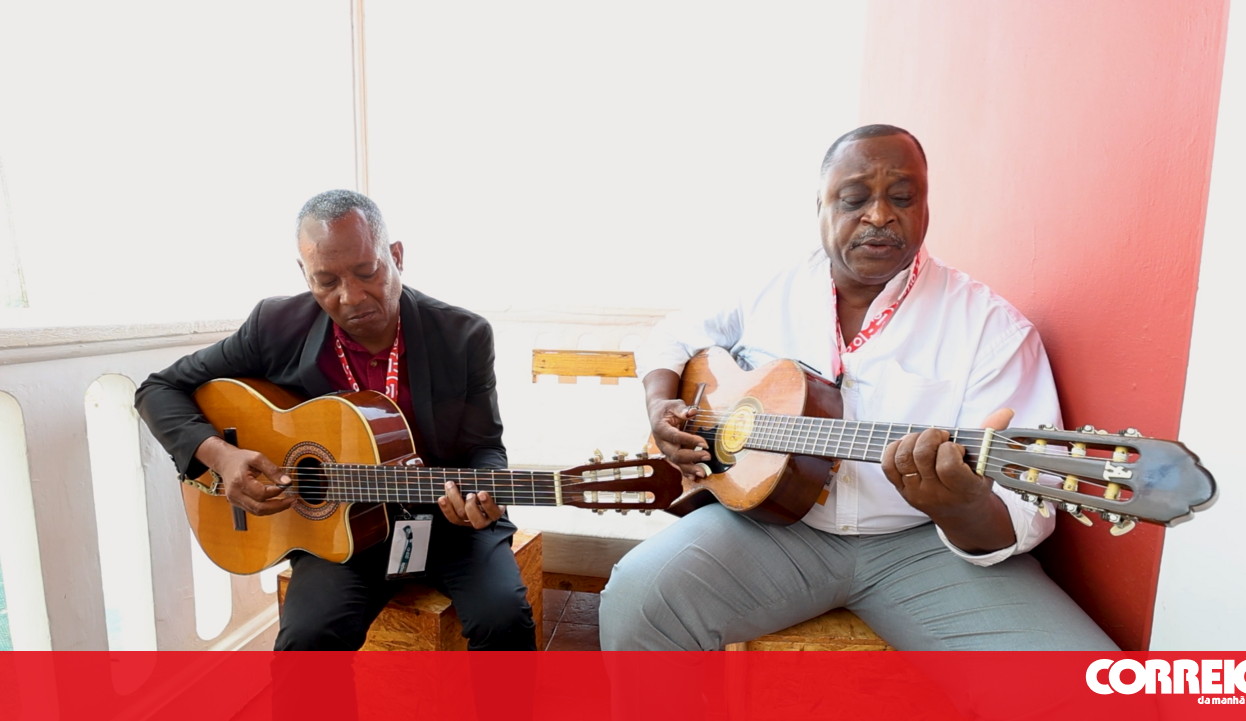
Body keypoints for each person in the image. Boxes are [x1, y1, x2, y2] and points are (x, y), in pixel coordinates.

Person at [599, 125, 1118, 652]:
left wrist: (960, 507)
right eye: (854, 199)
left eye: (903, 197)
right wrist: (661, 405)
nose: (879, 215)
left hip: (926, 546)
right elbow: (672, 336)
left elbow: (1028, 508)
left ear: (926, 207)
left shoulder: (992, 329)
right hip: (772, 530)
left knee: (1086, 683)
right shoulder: (769, 286)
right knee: (638, 603)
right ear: (820, 206)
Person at [136, 189, 536, 653]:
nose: (351, 297)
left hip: (449, 523)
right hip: (339, 530)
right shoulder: (276, 326)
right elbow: (157, 389)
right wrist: (222, 457)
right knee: (306, 643)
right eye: (326, 281)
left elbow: (485, 445)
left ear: (396, 256)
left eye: (367, 272)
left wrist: (484, 495)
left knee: (504, 619)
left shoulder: (462, 335)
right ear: (304, 274)